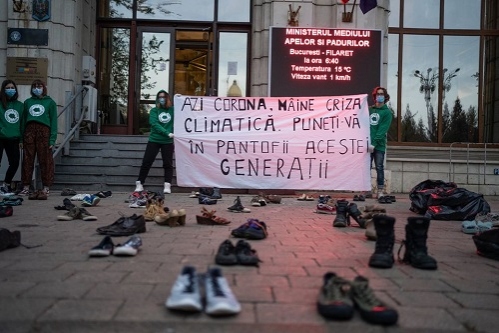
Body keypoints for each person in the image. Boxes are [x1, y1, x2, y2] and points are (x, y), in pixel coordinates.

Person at [18, 79, 58, 197]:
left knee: (45, 160)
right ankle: (26, 186)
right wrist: (21, 138)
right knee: (27, 159)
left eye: (39, 86)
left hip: (44, 132)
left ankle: (46, 186)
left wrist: (52, 139)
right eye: (34, 86)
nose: (37, 88)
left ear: (43, 88)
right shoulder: (27, 102)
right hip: (29, 131)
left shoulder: (50, 102)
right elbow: (23, 121)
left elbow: (53, 121)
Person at [134, 90, 174, 194]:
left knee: (168, 164)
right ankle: (139, 183)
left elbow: (184, 113)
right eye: (160, 97)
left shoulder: (173, 110)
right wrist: (167, 133)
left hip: (167, 141)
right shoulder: (154, 111)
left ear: (168, 98)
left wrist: (179, 99)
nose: (162, 99)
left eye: (164, 97)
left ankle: (167, 185)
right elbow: (154, 124)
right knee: (147, 161)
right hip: (154, 139)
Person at [369, 86, 393, 200]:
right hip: (367, 145)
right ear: (375, 96)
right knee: (366, 168)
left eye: (382, 94)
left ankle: (380, 190)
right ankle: (366, 190)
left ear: (385, 97)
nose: (380, 96)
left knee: (379, 167)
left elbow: (382, 130)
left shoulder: (387, 113)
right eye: (378, 94)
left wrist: (374, 143)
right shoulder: (369, 110)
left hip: (379, 145)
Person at [0, 80, 23, 195]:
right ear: (3, 90)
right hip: (0, 137)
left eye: (12, 88)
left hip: (14, 138)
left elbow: (22, 123)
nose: (10, 90)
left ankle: (6, 184)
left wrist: (21, 139)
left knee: (15, 162)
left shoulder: (19, 105)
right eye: (7, 88)